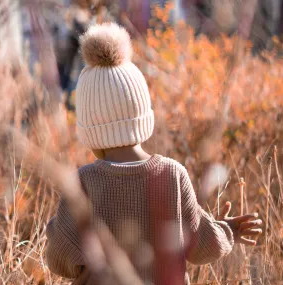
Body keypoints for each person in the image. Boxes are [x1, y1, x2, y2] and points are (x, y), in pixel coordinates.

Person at [46, 23, 262, 285]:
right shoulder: (172, 174)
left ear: (90, 129)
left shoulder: (84, 182)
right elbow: (200, 244)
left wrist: (54, 229)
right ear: (142, 115)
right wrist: (228, 231)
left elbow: (60, 259)